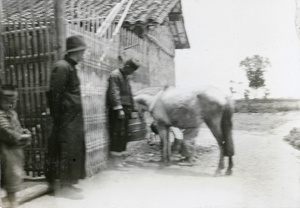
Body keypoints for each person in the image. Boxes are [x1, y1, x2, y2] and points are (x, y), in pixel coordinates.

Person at [46, 35, 87, 199]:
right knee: (66, 149)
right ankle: (63, 186)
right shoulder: (62, 67)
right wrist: (59, 116)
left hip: (72, 118)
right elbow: (56, 95)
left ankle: (69, 183)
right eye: (82, 51)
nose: (83, 55)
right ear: (77, 51)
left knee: (74, 149)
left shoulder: (70, 67)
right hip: (66, 119)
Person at [0, 84, 31, 208]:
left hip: (14, 153)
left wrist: (24, 132)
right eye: (7, 101)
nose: (11, 104)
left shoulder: (12, 113)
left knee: (13, 181)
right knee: (10, 181)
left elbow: (17, 128)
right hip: (5, 153)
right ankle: (12, 204)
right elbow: (5, 130)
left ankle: (9, 202)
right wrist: (19, 137)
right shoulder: (1, 115)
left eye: (14, 101)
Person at [106, 58, 140, 168]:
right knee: (117, 133)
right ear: (126, 66)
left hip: (126, 109)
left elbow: (130, 94)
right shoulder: (115, 75)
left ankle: (121, 159)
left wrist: (133, 108)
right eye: (131, 71)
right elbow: (114, 92)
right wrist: (119, 108)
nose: (131, 73)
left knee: (125, 134)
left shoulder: (125, 77)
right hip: (118, 110)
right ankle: (115, 162)